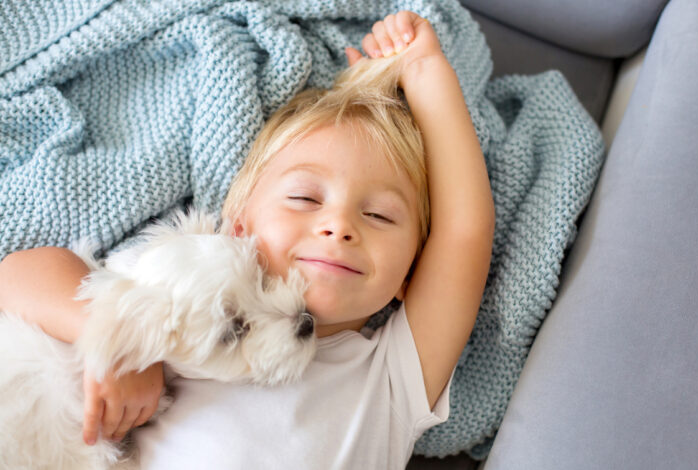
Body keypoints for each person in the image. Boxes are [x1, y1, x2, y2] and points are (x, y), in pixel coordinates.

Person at [0, 11, 494, 468]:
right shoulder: (200, 299)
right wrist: (115, 346)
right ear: (238, 228)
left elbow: (464, 231)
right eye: (304, 198)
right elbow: (17, 274)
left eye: (379, 215)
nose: (339, 225)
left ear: (412, 271)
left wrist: (424, 71)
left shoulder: (392, 376)